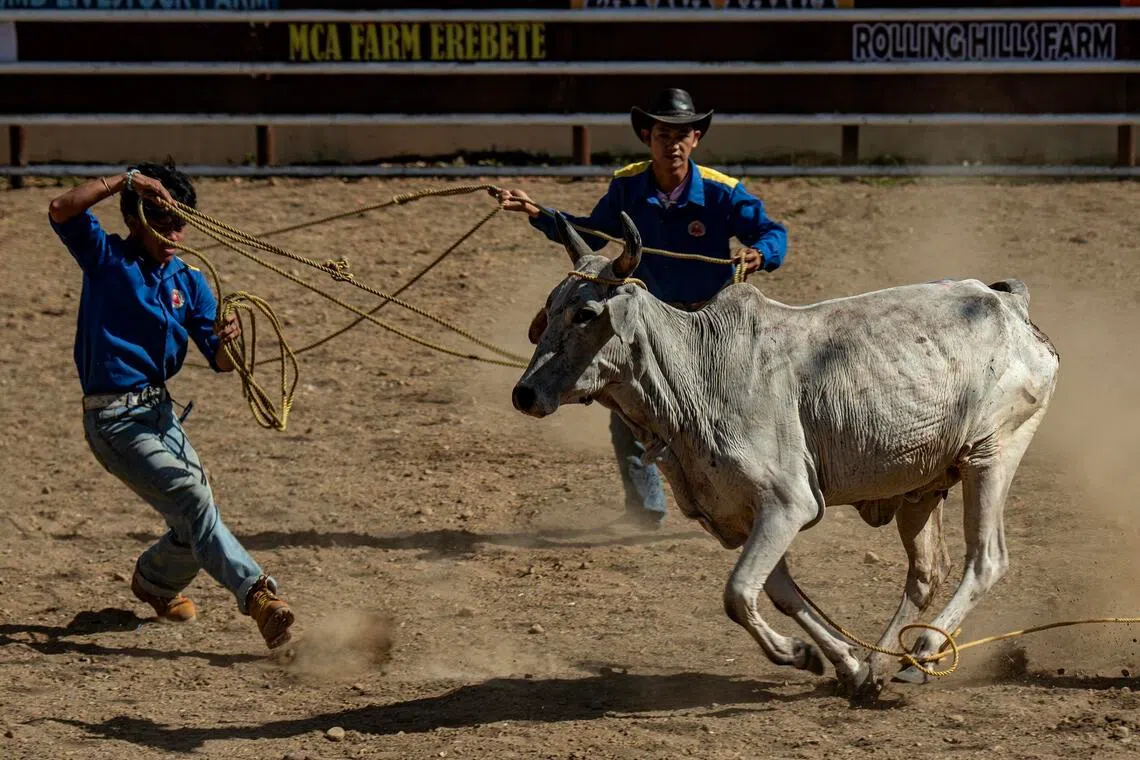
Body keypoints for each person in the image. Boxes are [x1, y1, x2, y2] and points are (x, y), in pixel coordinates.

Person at [494, 87, 789, 530]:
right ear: (648, 137)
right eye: (663, 134)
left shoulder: (722, 192)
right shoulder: (628, 186)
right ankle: (646, 508)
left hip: (707, 321)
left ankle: (753, 496)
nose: (672, 143)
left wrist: (760, 253)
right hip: (648, 321)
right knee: (627, 405)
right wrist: (538, 212)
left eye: (681, 134)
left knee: (729, 409)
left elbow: (771, 231)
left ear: (695, 140)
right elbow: (591, 234)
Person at [47, 160, 295, 649]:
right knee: (194, 499)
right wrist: (125, 178)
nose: (174, 234)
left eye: (180, 223)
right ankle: (257, 594)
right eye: (162, 223)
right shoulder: (105, 258)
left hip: (160, 414)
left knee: (194, 514)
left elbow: (221, 363)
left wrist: (229, 340)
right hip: (113, 418)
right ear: (136, 220)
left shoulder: (189, 280)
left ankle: (156, 582)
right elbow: (61, 208)